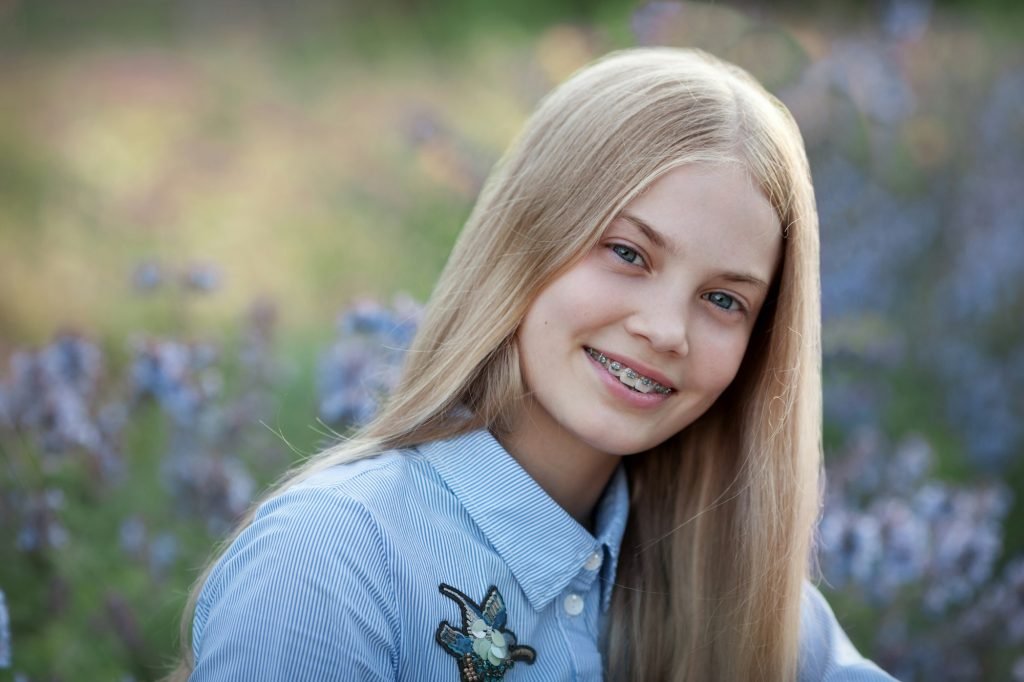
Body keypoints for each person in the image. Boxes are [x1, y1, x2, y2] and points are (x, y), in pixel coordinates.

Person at [170, 48, 896, 681]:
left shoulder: (729, 585)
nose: (666, 330)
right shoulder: (332, 562)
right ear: (525, 237)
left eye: (722, 300)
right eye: (627, 253)